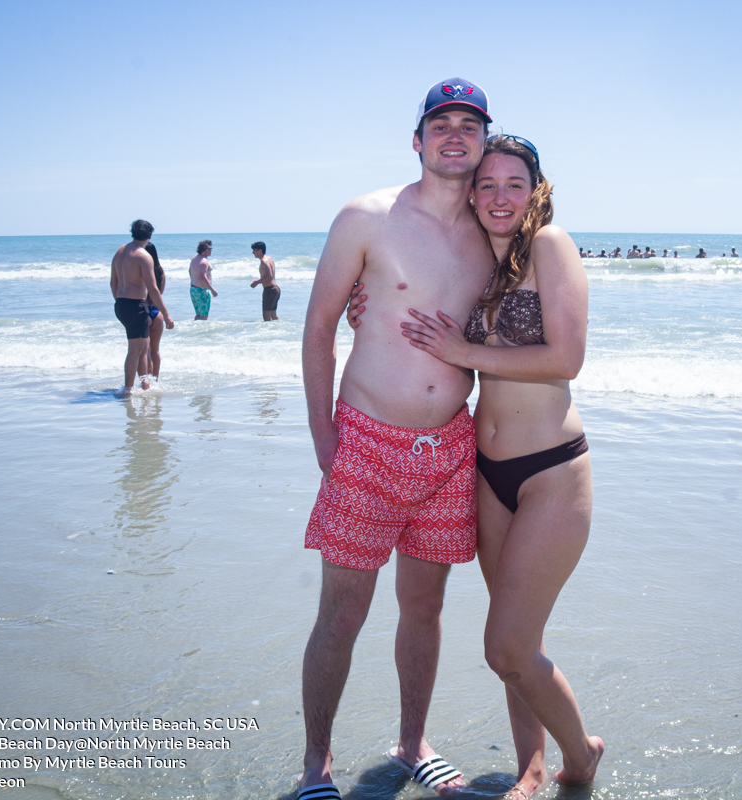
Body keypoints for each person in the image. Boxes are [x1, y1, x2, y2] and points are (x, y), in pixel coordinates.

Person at [357, 134, 605, 800]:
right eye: (486, 184)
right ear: (471, 192)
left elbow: (566, 358)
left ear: (536, 190)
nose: (499, 197)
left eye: (513, 184)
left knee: (507, 646)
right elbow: (413, 311)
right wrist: (364, 307)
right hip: (488, 472)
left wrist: (465, 350)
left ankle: (581, 754)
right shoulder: (472, 257)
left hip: (551, 472)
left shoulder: (550, 245)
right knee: (518, 643)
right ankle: (532, 768)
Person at [296, 77, 495, 800]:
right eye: (441, 124)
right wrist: (323, 435)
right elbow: (319, 326)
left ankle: (413, 744)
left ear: (484, 142)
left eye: (469, 125)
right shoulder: (367, 217)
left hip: (449, 451)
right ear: (417, 140)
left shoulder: (495, 233)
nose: (454, 135)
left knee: (425, 608)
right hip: (366, 443)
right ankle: (316, 764)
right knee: (342, 612)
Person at [109, 220, 174, 397]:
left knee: (142, 348)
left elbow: (113, 282)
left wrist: (119, 302)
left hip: (121, 303)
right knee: (135, 350)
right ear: (150, 235)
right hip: (135, 305)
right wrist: (166, 314)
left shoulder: (120, 251)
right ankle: (128, 389)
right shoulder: (143, 256)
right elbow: (153, 289)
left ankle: (144, 385)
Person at [138, 242, 168, 381]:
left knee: (144, 351)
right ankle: (155, 380)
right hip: (157, 311)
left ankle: (146, 382)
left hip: (143, 309)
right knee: (155, 350)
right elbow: (159, 292)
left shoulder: (141, 269)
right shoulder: (160, 271)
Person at [249, 241, 281, 321]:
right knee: (273, 315)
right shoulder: (269, 259)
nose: (253, 252)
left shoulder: (264, 261)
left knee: (266, 316)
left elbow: (269, 276)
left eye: (254, 250)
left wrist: (257, 282)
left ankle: (269, 329)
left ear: (260, 250)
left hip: (270, 290)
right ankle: (279, 327)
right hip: (275, 289)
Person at [189, 240, 217, 320]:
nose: (211, 250)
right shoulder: (204, 261)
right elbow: (202, 276)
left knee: (198, 314)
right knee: (204, 315)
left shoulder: (194, 258)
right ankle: (201, 328)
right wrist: (212, 290)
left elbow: (190, 271)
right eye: (209, 249)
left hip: (194, 289)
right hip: (202, 291)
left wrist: (194, 281)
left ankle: (195, 327)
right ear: (204, 250)